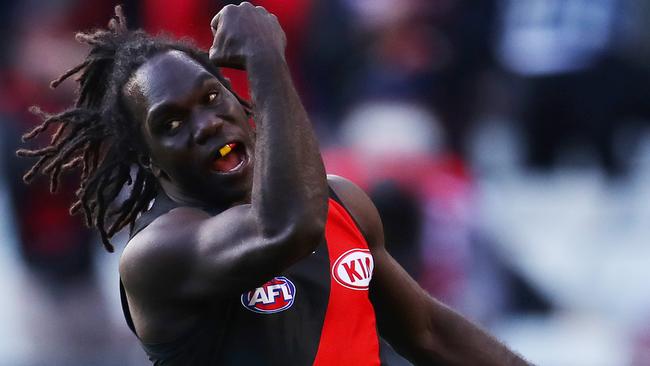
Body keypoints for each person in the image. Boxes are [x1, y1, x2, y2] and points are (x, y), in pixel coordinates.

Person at [18, 4, 530, 365]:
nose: (206, 125)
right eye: (170, 124)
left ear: (242, 105)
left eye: (212, 97)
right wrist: (267, 58)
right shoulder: (160, 255)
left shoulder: (341, 203)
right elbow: (287, 228)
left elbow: (430, 334)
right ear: (151, 164)